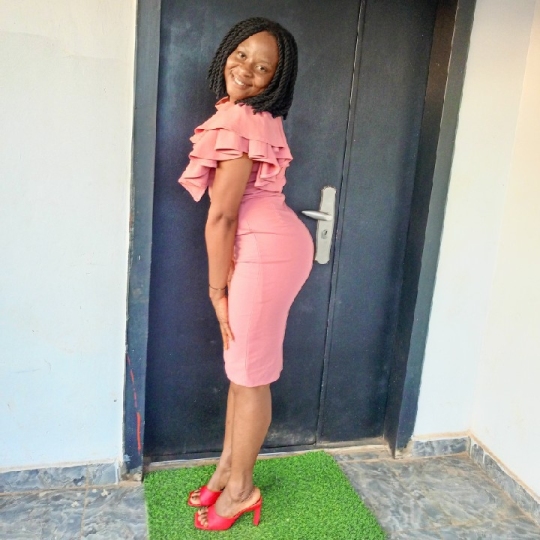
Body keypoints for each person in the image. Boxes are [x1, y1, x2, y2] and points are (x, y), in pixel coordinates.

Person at [178, 17, 313, 531]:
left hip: (262, 250)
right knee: (241, 371)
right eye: (241, 56)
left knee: (250, 376)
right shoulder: (248, 115)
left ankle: (241, 491)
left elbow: (223, 216)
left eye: (263, 67)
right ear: (225, 54)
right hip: (266, 245)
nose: (247, 70)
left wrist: (217, 289)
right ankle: (224, 473)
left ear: (277, 78)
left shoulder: (239, 119)